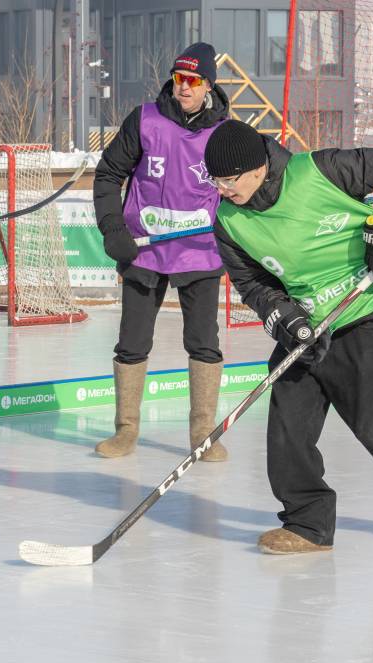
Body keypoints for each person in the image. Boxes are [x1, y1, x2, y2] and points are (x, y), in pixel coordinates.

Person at [203, 119, 373, 554]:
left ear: (257, 167)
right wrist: (284, 317)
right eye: (213, 180)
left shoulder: (320, 169)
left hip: (362, 306)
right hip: (307, 324)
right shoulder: (229, 221)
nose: (221, 188)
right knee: (287, 430)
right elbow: (254, 284)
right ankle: (307, 522)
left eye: (228, 179)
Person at [92, 42, 231, 461]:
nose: (183, 87)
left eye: (192, 80)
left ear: (208, 85)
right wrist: (113, 229)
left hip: (199, 253)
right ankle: (126, 429)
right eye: (178, 79)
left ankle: (203, 432)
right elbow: (108, 175)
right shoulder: (145, 120)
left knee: (203, 342)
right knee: (132, 342)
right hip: (144, 251)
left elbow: (243, 192)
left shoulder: (225, 132)